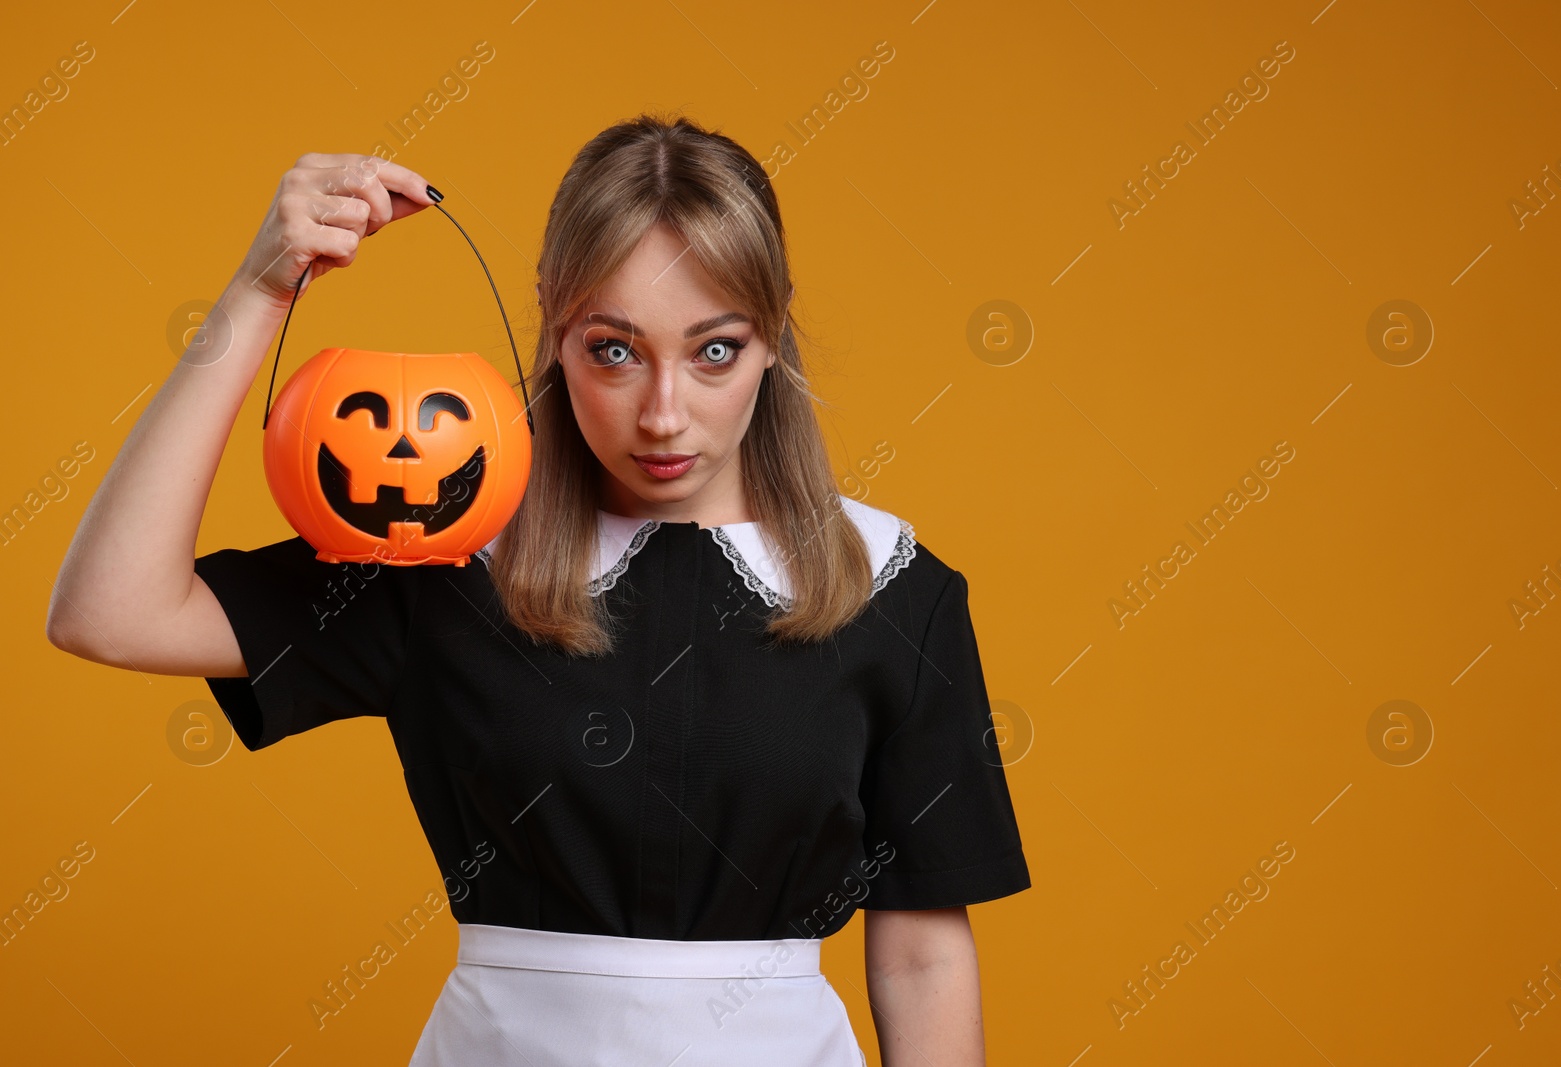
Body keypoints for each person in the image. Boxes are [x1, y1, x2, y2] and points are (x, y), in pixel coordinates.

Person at [46, 114, 1030, 1066]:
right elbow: (110, 610)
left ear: (773, 336)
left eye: (713, 349)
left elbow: (920, 948)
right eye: (614, 348)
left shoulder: (892, 585)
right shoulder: (445, 558)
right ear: (556, 329)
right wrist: (261, 291)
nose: (661, 412)